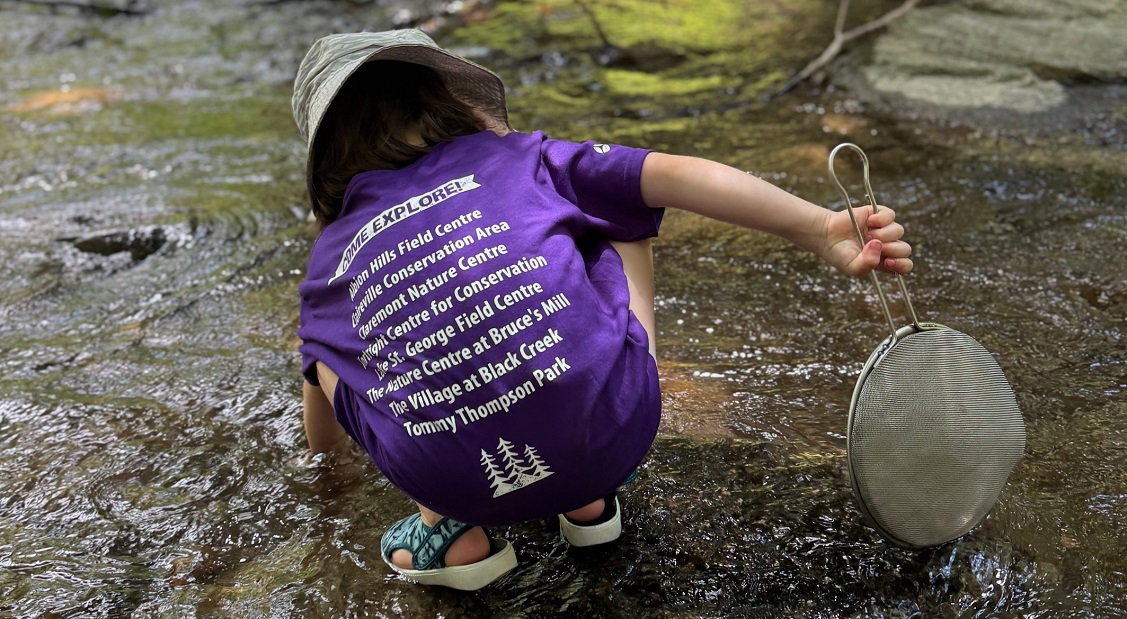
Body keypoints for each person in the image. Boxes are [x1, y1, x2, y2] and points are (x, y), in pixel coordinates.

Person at [292, 29, 913, 591]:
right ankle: (589, 503)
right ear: (451, 104)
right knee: (618, 212)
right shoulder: (523, 160)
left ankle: (451, 538)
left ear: (327, 164)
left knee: (330, 348)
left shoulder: (329, 257)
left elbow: (327, 403)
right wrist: (819, 227)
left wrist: (327, 475)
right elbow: (676, 174)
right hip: (617, 433)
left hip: (451, 480)